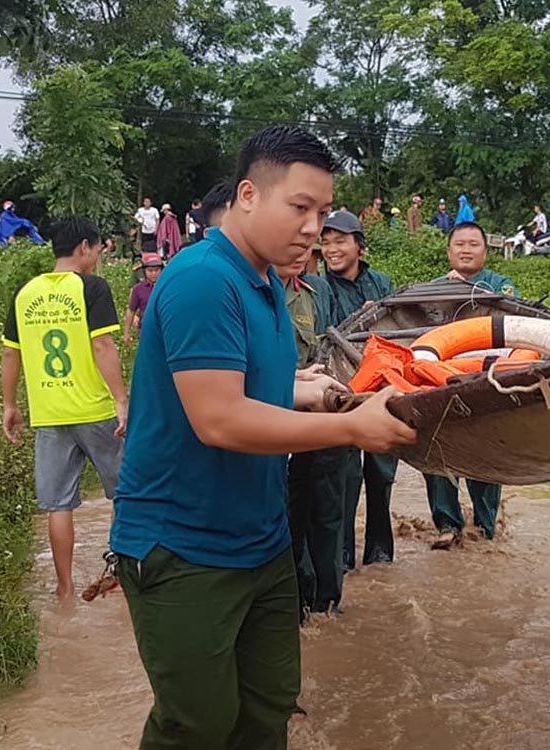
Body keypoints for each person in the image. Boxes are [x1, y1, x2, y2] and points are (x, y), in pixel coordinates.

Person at [109, 126, 416, 750]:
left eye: (323, 213)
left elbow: (251, 388)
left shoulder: (269, 283)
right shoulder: (203, 279)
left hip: (262, 543)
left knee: (267, 712)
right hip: (183, 548)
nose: (313, 227)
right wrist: (350, 426)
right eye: (299, 208)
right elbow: (220, 419)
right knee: (195, 725)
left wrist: (311, 392)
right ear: (249, 195)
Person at [1, 216, 127, 600]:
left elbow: (11, 352)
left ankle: (64, 587)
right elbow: (102, 346)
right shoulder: (91, 288)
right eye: (97, 249)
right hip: (94, 410)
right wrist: (122, 399)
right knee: (126, 493)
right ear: (84, 247)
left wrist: (9, 405)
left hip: (49, 415)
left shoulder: (25, 293)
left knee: (58, 505)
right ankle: (126, 572)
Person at [426, 222, 517, 550]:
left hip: (489, 382)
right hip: (444, 380)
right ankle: (447, 524)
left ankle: (485, 525)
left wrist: (469, 291)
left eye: (473, 244)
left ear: (485, 251)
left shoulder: (501, 286)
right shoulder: (433, 289)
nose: (466, 249)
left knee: (488, 452)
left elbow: (513, 317)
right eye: (459, 244)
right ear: (449, 251)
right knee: (438, 450)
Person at [321, 209, 399, 569]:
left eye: (340, 241)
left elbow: (398, 327)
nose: (331, 249)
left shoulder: (381, 284)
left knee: (381, 473)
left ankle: (380, 551)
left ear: (359, 247)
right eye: (326, 242)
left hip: (382, 388)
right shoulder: (320, 287)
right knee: (345, 476)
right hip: (341, 392)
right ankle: (343, 555)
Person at [275, 248, 347, 620]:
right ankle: (297, 600)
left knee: (329, 508)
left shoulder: (318, 291)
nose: (298, 254)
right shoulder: (256, 291)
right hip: (277, 419)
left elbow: (334, 345)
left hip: (320, 413)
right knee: (289, 511)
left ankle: (329, 600)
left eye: (305, 248)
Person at [123, 254, 164, 346]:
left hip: (165, 329)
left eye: (156, 270)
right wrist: (126, 332)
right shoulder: (138, 289)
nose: (153, 273)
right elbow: (131, 310)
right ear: (144, 271)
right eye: (150, 270)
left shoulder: (167, 287)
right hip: (145, 330)